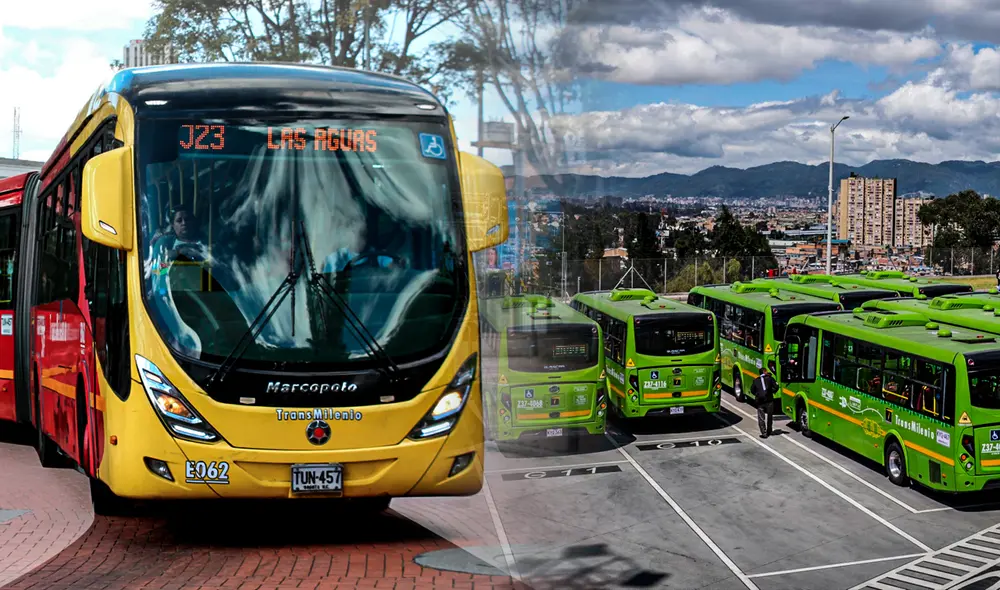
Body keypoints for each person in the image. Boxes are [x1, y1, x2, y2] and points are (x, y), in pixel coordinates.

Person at [752, 361, 780, 438]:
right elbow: (776, 386)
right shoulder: (770, 378)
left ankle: (763, 432)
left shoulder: (756, 380)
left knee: (761, 417)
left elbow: (752, 390)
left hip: (760, 401)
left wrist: (757, 395)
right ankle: (769, 430)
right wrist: (772, 392)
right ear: (765, 372)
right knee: (770, 416)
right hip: (769, 400)